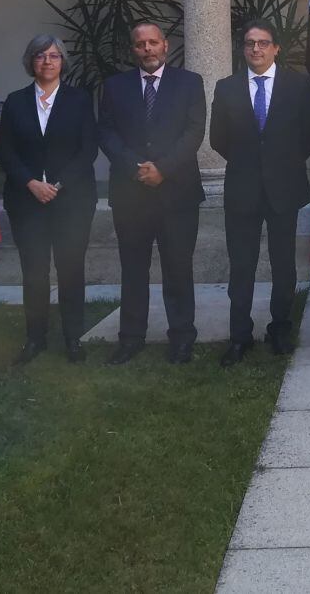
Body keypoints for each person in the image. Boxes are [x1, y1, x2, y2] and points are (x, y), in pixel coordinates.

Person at [211, 19, 310, 366]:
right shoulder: (226, 88)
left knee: (283, 264)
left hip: (283, 188)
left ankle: (280, 329)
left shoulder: (298, 86)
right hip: (242, 189)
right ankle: (239, 336)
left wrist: (279, 164)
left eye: (263, 43)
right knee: (241, 265)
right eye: (249, 43)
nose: (255, 49)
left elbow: (309, 135)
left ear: (276, 48)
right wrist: (251, 165)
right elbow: (219, 139)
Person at [97, 22, 205, 365]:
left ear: (165, 45)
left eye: (153, 43)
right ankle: (131, 338)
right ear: (133, 49)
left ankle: (182, 338)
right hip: (131, 194)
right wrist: (135, 168)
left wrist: (163, 169)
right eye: (140, 44)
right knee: (133, 270)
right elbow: (107, 132)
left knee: (178, 268)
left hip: (177, 193)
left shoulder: (189, 83)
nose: (147, 49)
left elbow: (193, 131)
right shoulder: (115, 86)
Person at [0, 34, 98, 365]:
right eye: (41, 56)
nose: (48, 61)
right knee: (34, 272)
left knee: (71, 270)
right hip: (27, 202)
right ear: (31, 62)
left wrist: (57, 184)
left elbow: (88, 150)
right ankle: (34, 338)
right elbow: (5, 151)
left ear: (62, 61)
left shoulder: (80, 100)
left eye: (54, 56)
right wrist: (30, 183)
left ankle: (73, 339)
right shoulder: (15, 101)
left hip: (71, 201)